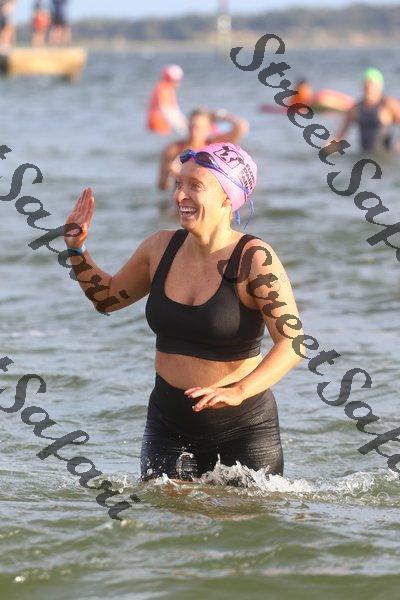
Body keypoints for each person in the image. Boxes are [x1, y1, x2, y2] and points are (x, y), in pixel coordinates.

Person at [63, 142, 304, 484]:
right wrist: (77, 250)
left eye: (195, 186)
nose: (179, 196)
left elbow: (292, 343)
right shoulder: (160, 248)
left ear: (227, 197)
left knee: (240, 518)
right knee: (163, 512)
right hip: (168, 425)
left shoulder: (255, 259)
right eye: (179, 184)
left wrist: (238, 391)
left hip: (243, 430)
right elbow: (107, 299)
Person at [158, 107, 249, 191]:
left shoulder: (215, 146)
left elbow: (241, 127)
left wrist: (220, 115)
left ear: (208, 129)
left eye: (199, 128)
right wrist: (170, 174)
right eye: (191, 127)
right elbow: (162, 185)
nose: (194, 132)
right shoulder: (174, 150)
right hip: (183, 195)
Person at [335, 67, 400, 152]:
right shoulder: (356, 109)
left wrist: (398, 144)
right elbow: (340, 135)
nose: (369, 88)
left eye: (372, 84)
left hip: (385, 156)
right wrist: (326, 149)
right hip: (364, 155)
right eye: (366, 85)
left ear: (380, 86)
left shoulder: (388, 105)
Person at [147, 64, 187, 136]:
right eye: (177, 80)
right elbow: (167, 110)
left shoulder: (163, 87)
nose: (178, 83)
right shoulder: (164, 89)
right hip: (160, 125)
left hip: (158, 125)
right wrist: (182, 127)